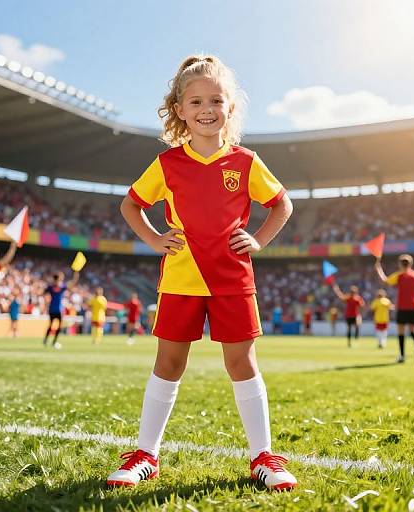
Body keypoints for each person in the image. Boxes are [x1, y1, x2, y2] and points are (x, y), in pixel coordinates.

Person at [107, 55, 297, 491]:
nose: (207, 108)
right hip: (181, 279)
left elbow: (282, 204)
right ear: (180, 110)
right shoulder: (168, 164)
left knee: (242, 363)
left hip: (233, 278)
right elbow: (130, 205)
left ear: (230, 107)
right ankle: (145, 455)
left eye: (216, 99)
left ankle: (263, 457)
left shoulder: (246, 161)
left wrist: (259, 240)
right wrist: (155, 240)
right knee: (169, 363)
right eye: (196, 101)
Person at [375, 254, 414, 363]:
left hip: (402, 306)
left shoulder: (399, 275)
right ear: (411, 264)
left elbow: (385, 281)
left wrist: (378, 268)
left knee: (401, 331)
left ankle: (402, 356)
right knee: (412, 330)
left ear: (400, 264)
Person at [43, 270, 79, 349]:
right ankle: (52, 341)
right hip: (57, 309)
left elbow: (44, 293)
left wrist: (46, 303)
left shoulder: (52, 287)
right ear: (59, 278)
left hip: (54, 309)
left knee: (54, 326)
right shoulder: (60, 287)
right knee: (55, 326)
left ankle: (49, 340)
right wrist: (76, 274)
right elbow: (73, 283)